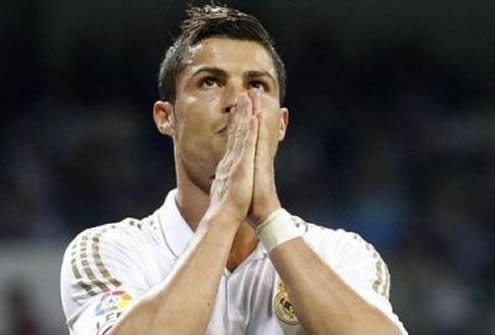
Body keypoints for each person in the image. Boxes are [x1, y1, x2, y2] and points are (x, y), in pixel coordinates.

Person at [60, 5, 408, 335]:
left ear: (282, 124)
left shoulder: (342, 254)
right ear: (167, 117)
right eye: (210, 82)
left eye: (257, 85)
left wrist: (270, 219)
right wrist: (225, 213)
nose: (238, 102)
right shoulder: (108, 251)